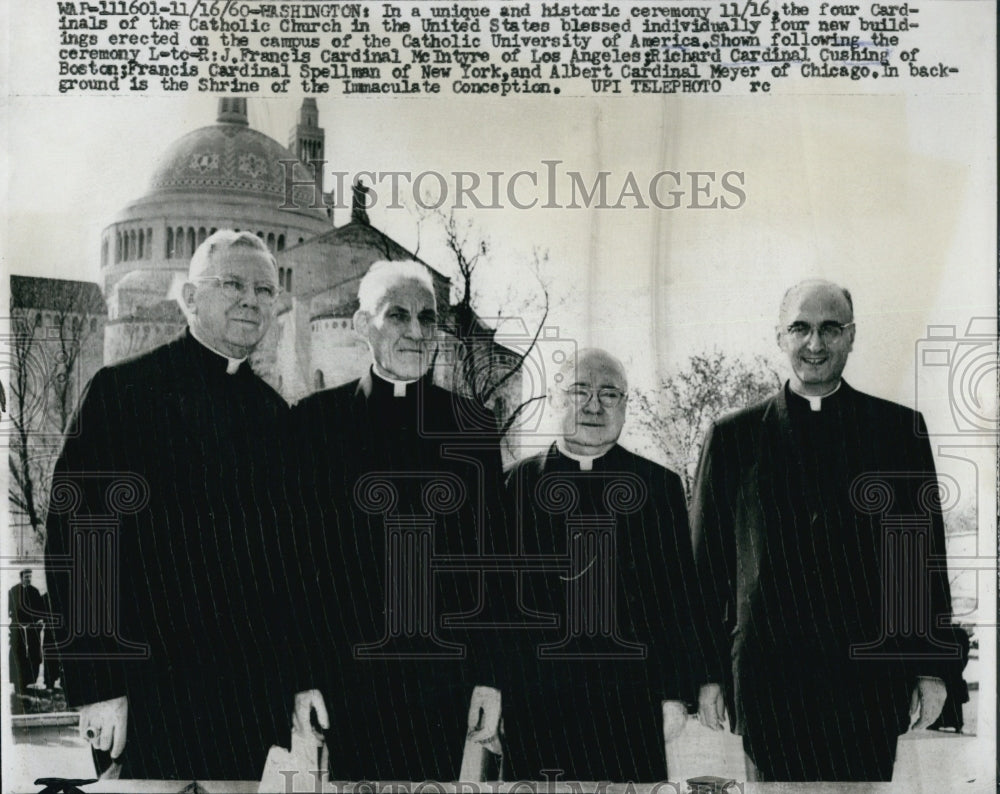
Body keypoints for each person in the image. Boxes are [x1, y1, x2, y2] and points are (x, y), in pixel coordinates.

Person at [45, 230, 326, 780]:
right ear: (190, 298)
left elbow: (294, 566)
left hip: (248, 701)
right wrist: (99, 684)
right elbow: (79, 542)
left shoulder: (275, 418)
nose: (251, 299)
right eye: (233, 284)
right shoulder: (123, 393)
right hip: (146, 697)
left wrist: (300, 677)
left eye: (266, 290)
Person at [690, 279, 953, 781]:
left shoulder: (897, 434)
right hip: (770, 682)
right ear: (780, 337)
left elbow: (921, 564)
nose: (815, 344)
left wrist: (930, 666)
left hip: (867, 683)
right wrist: (706, 675)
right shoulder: (733, 439)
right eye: (801, 328)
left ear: (852, 336)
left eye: (831, 329)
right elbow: (705, 570)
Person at [293, 260, 507, 781]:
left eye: (428, 318)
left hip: (444, 680)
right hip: (347, 679)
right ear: (362, 325)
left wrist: (489, 676)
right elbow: (295, 564)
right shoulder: (316, 422)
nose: (416, 331)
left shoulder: (472, 427)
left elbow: (495, 561)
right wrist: (302, 677)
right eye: (398, 316)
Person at [502, 348, 717, 781]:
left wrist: (675, 694)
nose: (594, 405)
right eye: (579, 390)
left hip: (630, 710)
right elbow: (497, 604)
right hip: (535, 707)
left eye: (609, 394)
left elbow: (678, 599)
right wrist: (494, 690)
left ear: (626, 405)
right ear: (553, 400)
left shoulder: (658, 488)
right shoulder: (514, 485)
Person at [9, 569, 44, 694]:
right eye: (26, 577)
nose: (28, 579)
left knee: (34, 654)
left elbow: (41, 609)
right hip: (18, 629)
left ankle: (30, 680)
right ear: (21, 577)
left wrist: (40, 620)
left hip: (32, 629)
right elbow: (9, 609)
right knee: (19, 654)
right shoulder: (13, 591)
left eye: (30, 577)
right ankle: (18, 682)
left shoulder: (35, 592)